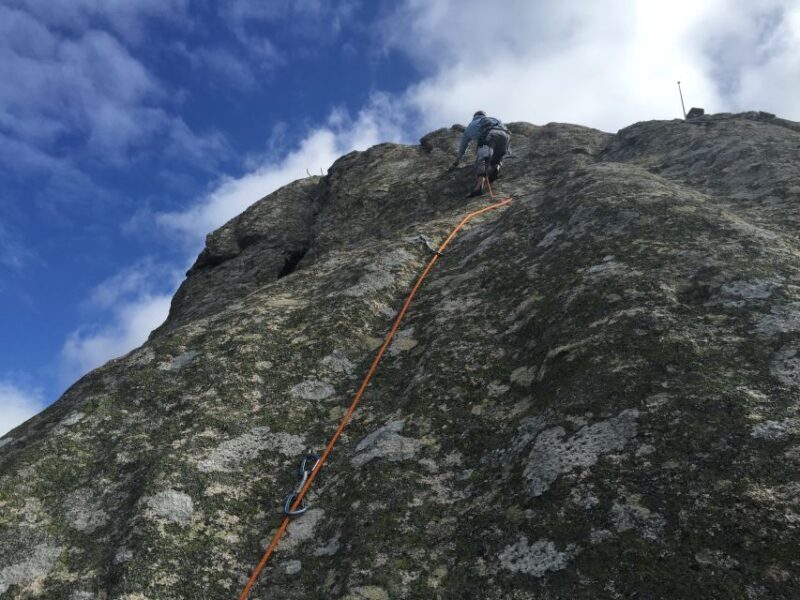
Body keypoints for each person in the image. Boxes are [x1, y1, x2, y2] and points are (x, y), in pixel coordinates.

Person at [450, 110, 511, 197]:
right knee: (498, 155)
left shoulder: (470, 126)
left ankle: (479, 187)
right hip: (505, 135)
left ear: (474, 117)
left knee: (483, 158)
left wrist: (456, 162)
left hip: (489, 135)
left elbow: (462, 148)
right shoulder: (493, 119)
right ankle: (496, 168)